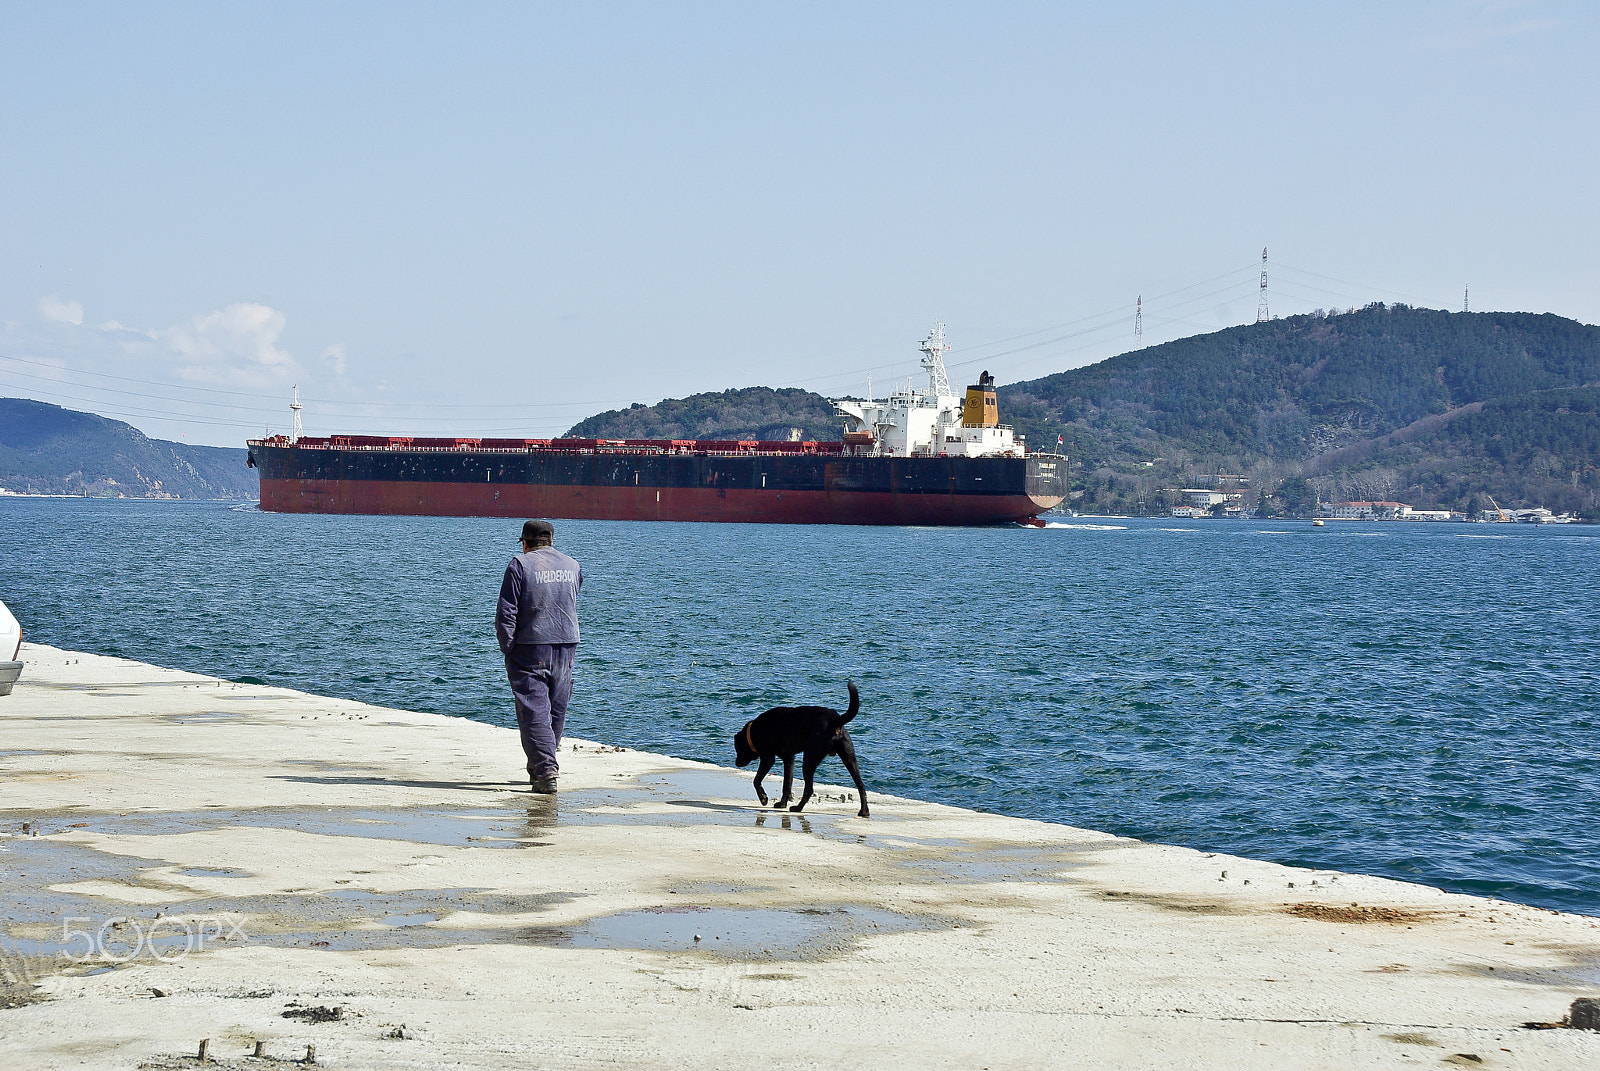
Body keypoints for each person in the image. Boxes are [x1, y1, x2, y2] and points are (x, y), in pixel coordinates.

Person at [496, 519, 583, 793]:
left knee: (534, 710)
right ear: (551, 541)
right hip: (567, 645)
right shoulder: (572, 565)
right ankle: (540, 765)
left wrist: (508, 646)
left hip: (531, 646)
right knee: (556, 710)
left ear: (525, 542)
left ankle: (545, 772)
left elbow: (506, 612)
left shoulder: (519, 564)